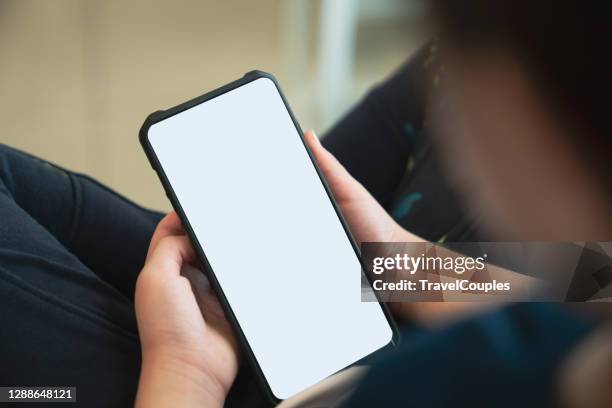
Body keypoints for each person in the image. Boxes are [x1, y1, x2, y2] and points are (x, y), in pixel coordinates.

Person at [1, 1, 611, 407]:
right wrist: (398, 261)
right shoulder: (567, 327)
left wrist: (184, 372)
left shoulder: (454, 382)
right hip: (348, 308)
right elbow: (596, 281)